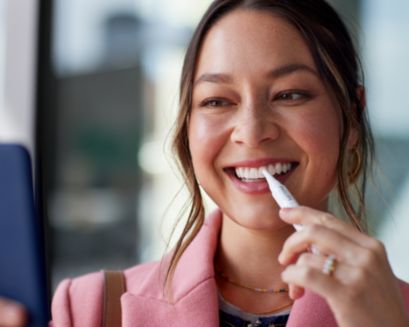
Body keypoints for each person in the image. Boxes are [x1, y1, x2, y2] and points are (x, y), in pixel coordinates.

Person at [5, 0, 408, 326]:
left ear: (353, 117)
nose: (251, 132)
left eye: (290, 95)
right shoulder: (90, 310)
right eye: (217, 101)